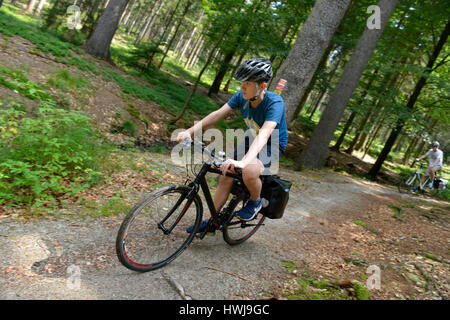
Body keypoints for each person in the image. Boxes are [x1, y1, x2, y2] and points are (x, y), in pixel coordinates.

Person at [176, 58, 289, 233]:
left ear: (262, 86)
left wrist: (244, 162)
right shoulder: (242, 97)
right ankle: (211, 221)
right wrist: (189, 131)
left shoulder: (275, 103)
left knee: (249, 170)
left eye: (248, 83)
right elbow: (217, 114)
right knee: (226, 174)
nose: (243, 87)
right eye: (243, 82)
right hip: (251, 138)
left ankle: (255, 200)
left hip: (272, 143)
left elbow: (266, 132)